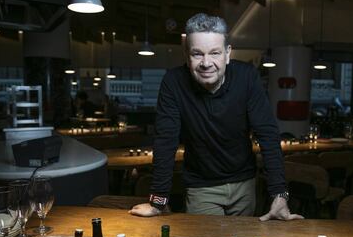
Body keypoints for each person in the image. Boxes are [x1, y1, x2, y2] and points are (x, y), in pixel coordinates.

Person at [129, 13, 303, 221]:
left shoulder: (247, 76)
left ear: (227, 54)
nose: (206, 63)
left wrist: (279, 194)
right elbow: (165, 141)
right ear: (187, 55)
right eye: (197, 54)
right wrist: (158, 201)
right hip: (201, 186)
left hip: (245, 183)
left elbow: (267, 134)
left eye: (214, 53)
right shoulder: (173, 82)